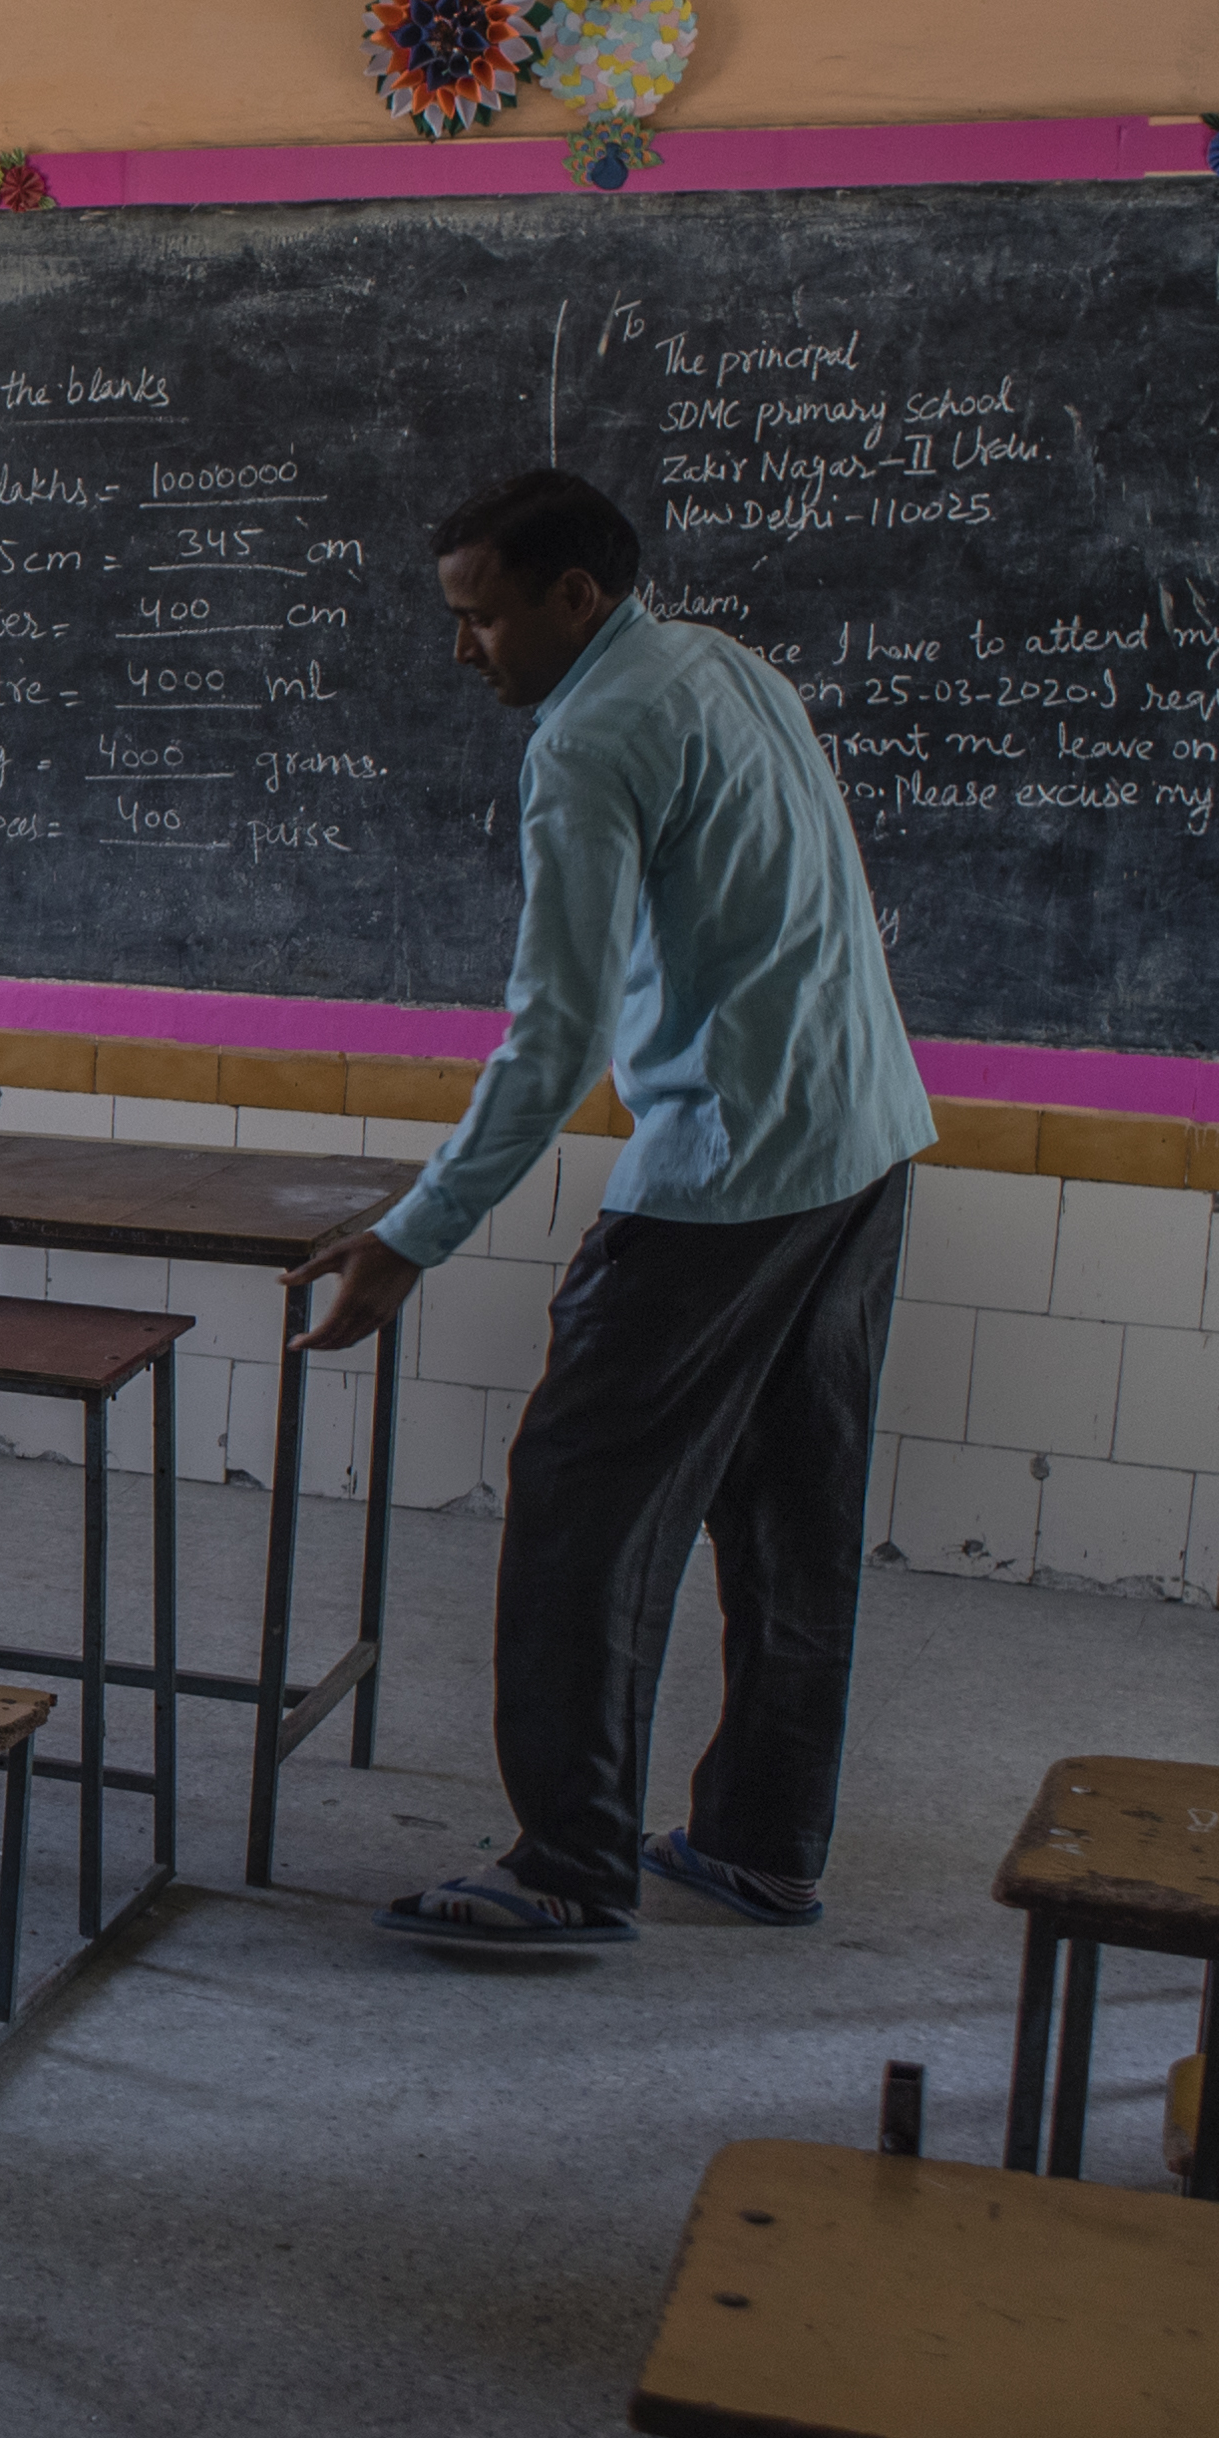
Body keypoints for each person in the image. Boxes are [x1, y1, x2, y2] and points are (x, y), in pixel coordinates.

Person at [288, 467, 935, 1953]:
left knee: (581, 1503)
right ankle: (761, 1842)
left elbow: (554, 1035)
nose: (465, 651)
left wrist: (410, 1237)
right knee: (792, 1515)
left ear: (570, 598)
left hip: (731, 1171)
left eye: (481, 617)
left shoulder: (589, 734)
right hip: (862, 1137)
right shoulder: (721, 662)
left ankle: (568, 1863)